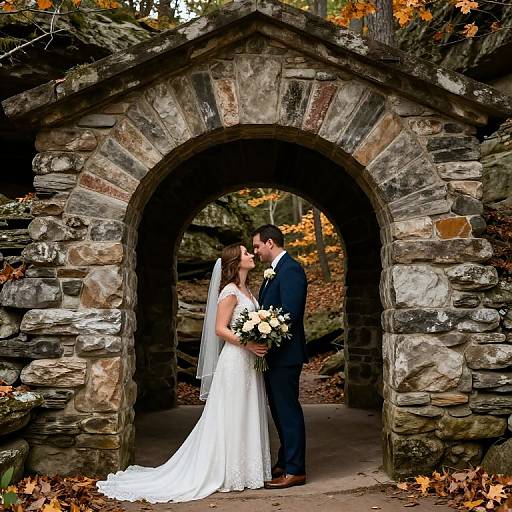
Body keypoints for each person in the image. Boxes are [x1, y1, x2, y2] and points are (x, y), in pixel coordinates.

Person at [96, 244, 271, 503]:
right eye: (246, 253)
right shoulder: (230, 291)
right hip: (235, 361)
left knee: (246, 411)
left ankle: (246, 471)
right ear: (236, 261)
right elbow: (219, 329)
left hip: (249, 362)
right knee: (230, 414)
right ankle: (226, 472)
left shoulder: (247, 290)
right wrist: (249, 344)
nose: (251, 255)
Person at [252, 224, 308, 490]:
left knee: (288, 411)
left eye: (257, 246)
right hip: (274, 355)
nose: (256, 251)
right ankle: (285, 460)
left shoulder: (291, 270)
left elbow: (290, 314)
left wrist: (263, 335)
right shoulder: (273, 272)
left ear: (270, 243)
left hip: (285, 355)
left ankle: (295, 470)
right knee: (278, 410)